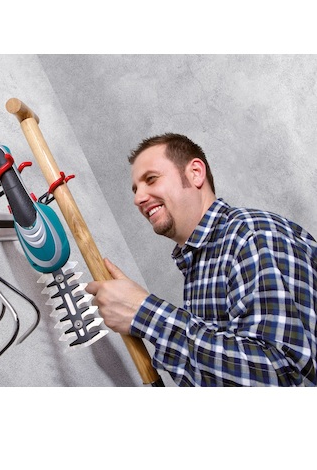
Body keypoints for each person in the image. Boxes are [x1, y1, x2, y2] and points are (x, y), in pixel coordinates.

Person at [86, 133, 317, 387]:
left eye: (151, 179)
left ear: (195, 173)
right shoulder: (200, 262)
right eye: (135, 189)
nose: (138, 198)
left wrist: (145, 313)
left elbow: (284, 378)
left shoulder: (250, 236)